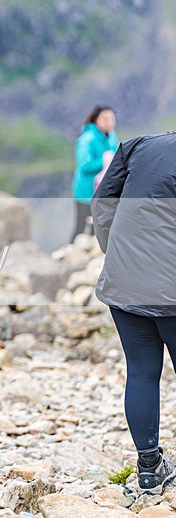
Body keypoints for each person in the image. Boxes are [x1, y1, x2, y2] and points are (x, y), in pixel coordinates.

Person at [93, 131, 176, 492]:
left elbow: (102, 203)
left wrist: (114, 251)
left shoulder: (139, 145)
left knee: (141, 372)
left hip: (124, 283)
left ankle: (149, 466)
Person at [71, 104, 119, 242]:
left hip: (102, 191)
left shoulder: (111, 136)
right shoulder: (87, 139)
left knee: (98, 227)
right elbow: (84, 165)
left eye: (111, 118)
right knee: (80, 228)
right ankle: (69, 255)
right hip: (86, 192)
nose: (109, 121)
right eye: (105, 118)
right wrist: (104, 160)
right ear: (96, 120)